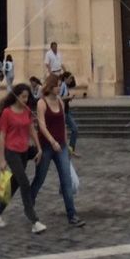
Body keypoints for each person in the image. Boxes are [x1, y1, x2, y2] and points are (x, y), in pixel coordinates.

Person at [30, 74, 84, 226]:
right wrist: (52, 141)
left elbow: (62, 124)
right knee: (39, 179)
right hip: (46, 146)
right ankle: (29, 205)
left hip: (61, 146)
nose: (60, 87)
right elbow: (41, 126)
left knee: (66, 180)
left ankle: (72, 215)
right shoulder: (42, 103)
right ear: (50, 86)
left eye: (60, 85)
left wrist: (65, 144)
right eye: (57, 85)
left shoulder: (60, 101)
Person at [0, 83, 46, 233]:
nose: (26, 100)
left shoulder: (27, 110)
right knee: (24, 183)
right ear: (16, 96)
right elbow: (2, 136)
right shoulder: (7, 113)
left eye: (27, 97)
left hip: (24, 151)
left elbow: (32, 129)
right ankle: (34, 220)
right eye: (23, 97)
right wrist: (2, 159)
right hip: (11, 152)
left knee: (13, 185)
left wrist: (39, 148)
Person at [59, 71, 79, 155]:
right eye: (70, 78)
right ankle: (70, 149)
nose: (71, 80)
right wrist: (69, 97)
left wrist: (68, 98)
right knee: (74, 129)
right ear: (65, 78)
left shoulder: (65, 86)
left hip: (67, 110)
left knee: (70, 129)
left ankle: (69, 149)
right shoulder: (63, 85)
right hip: (64, 111)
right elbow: (59, 97)